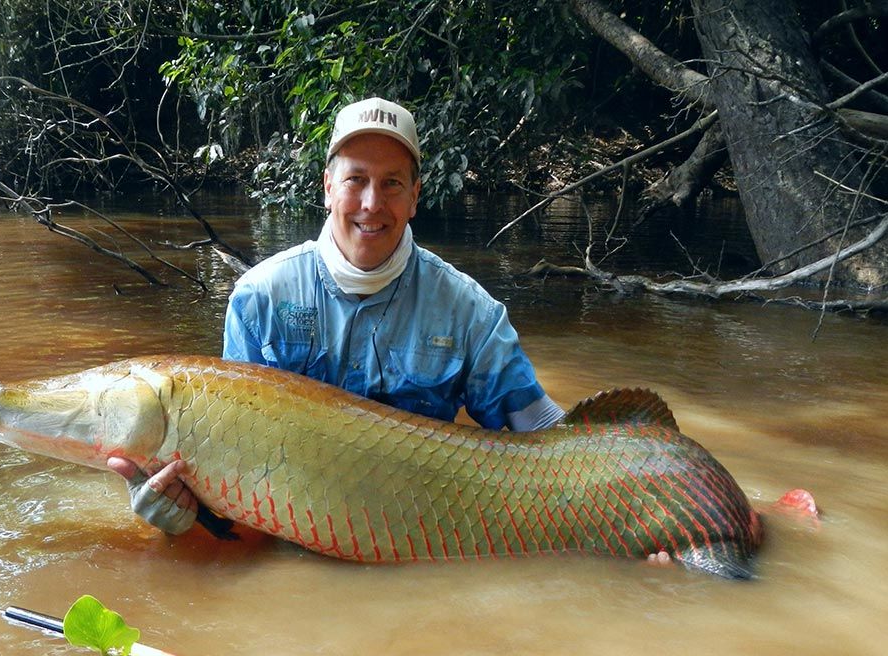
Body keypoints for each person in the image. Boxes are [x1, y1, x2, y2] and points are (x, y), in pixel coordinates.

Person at [109, 97, 564, 536]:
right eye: (356, 180)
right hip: (292, 541)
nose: (371, 203)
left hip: (419, 531)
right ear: (328, 187)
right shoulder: (260, 299)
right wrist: (181, 518)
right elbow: (227, 470)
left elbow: (550, 438)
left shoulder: (470, 313)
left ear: (415, 196)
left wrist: (627, 511)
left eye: (392, 183)